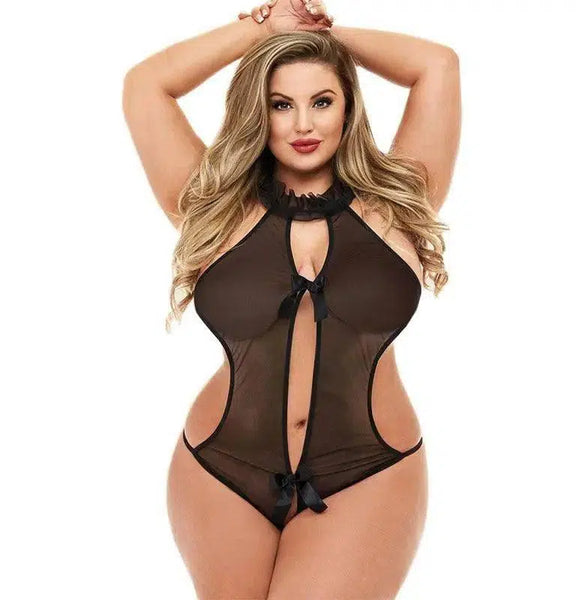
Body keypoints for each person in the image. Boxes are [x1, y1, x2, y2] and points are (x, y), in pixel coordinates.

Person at [122, 0, 460, 597]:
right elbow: (146, 85)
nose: (303, 124)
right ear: (258, 111)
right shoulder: (213, 207)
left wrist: (323, 37)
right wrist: (264, 30)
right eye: (281, 104)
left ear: (348, 106)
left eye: (322, 101)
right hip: (221, 468)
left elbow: (437, 64)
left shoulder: (400, 204)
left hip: (368, 467)